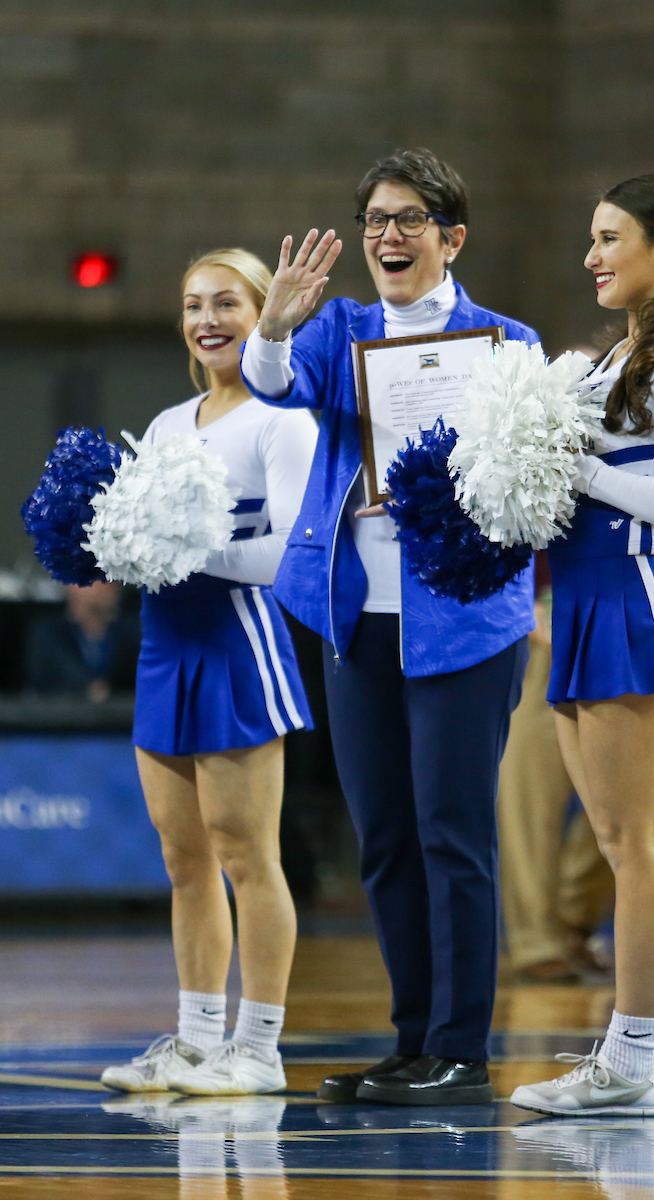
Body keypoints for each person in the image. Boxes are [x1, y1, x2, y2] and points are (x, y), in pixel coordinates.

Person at [241, 148, 538, 1105]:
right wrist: (275, 327)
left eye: (410, 219)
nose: (388, 236)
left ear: (451, 237)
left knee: (454, 834)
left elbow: (533, 480)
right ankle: (414, 1043)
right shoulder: (339, 330)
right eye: (375, 219)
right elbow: (276, 386)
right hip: (354, 620)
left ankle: (462, 1049)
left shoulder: (508, 343)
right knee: (383, 837)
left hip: (463, 624)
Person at [511, 171, 654, 1116]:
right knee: (630, 845)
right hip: (580, 605)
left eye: (612, 238)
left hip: (637, 602)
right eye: (592, 238)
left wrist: (583, 476)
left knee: (633, 843)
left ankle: (627, 1061)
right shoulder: (612, 362)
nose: (593, 256)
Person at [101, 248, 318, 1097]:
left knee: (245, 854)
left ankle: (257, 1047)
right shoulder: (164, 424)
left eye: (227, 302)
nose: (207, 320)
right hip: (166, 646)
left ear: (263, 310)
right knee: (183, 856)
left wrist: (200, 550)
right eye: (194, 304)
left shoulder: (282, 419)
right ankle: (195, 1041)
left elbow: (294, 555)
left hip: (238, 644)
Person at [497, 557, 614, 983]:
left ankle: (572, 916)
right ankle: (536, 941)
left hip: (615, 599)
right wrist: (520, 596)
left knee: (626, 795)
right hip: (533, 612)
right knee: (530, 791)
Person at [24, 579, 139, 701]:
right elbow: (44, 678)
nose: (110, 587)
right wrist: (87, 688)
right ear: (74, 586)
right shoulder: (48, 633)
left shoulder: (130, 632)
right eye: (101, 581)